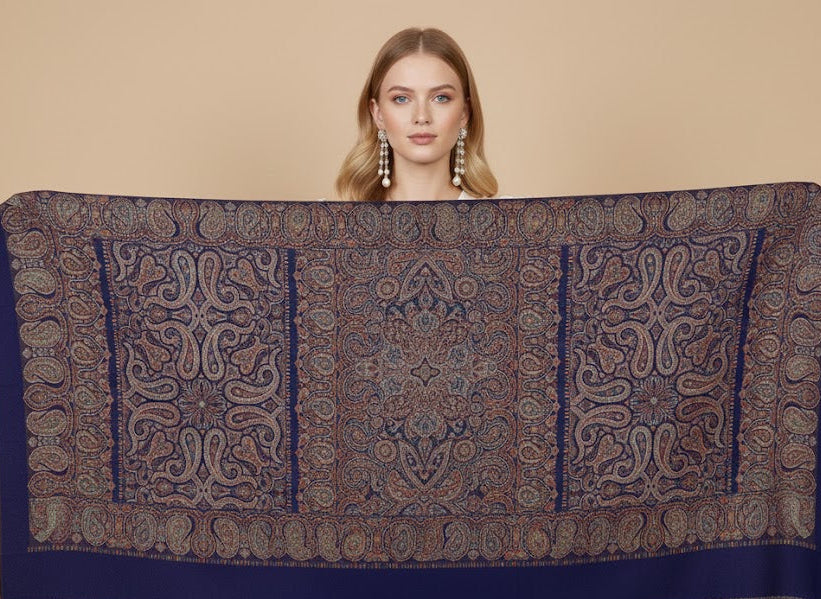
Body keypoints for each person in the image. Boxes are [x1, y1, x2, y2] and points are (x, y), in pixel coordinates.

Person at [335, 28, 498, 202]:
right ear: (378, 113)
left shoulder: (503, 216)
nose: (421, 117)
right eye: (401, 99)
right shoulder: (333, 218)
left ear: (465, 112)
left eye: (441, 98)